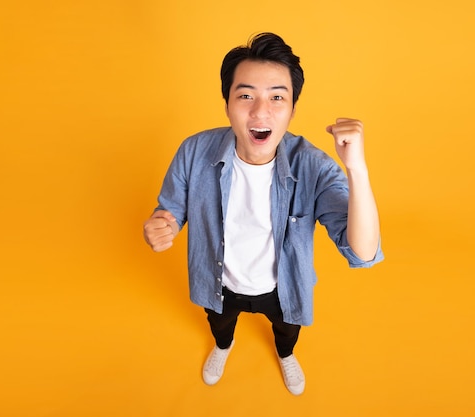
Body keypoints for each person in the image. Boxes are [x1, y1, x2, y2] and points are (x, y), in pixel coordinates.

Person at [143, 32, 383, 396]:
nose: (260, 112)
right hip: (217, 280)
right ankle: (223, 347)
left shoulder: (314, 166)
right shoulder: (194, 151)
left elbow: (363, 252)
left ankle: (285, 354)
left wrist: (358, 169)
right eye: (245, 95)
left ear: (292, 109)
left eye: (276, 97)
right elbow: (170, 209)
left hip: (281, 288)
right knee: (220, 325)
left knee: (287, 331)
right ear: (227, 103)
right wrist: (163, 222)